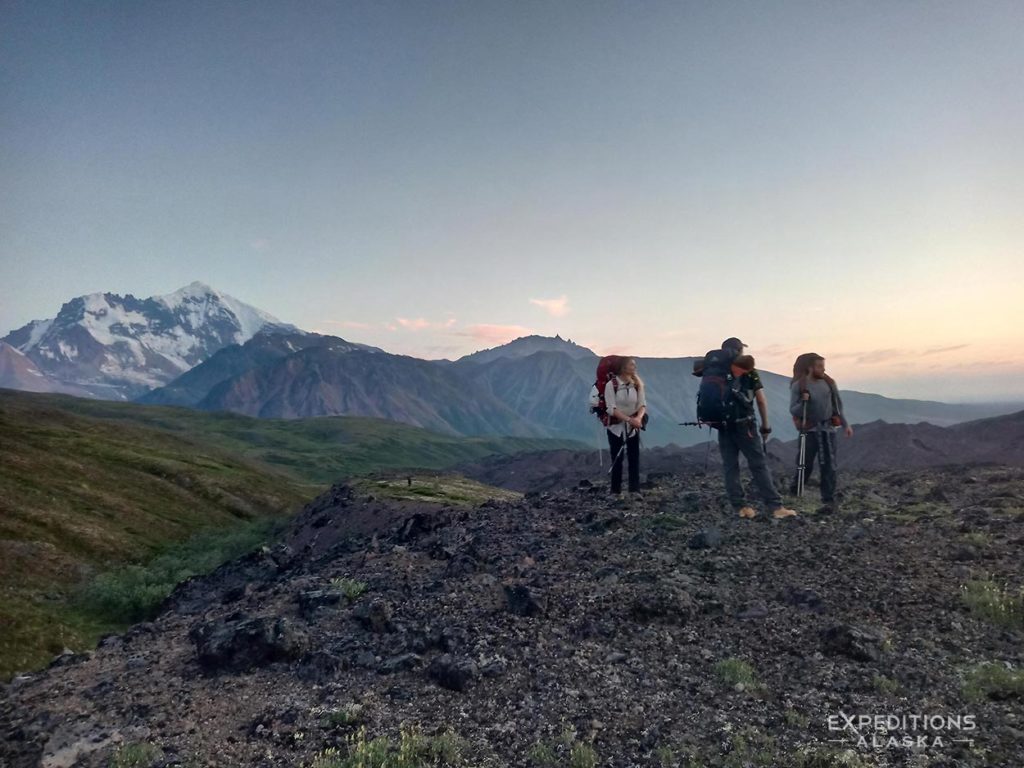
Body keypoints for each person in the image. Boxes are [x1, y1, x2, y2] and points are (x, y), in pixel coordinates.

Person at [711, 347, 797, 520]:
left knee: (730, 466)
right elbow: (761, 400)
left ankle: (739, 507)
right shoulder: (750, 373)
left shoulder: (716, 373)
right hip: (746, 426)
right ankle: (775, 506)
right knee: (758, 464)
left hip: (724, 427)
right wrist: (765, 426)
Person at [789, 353, 853, 511]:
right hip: (810, 430)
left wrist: (845, 424)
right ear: (810, 367)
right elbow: (793, 409)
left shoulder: (829, 383)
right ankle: (795, 490)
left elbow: (837, 406)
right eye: (819, 366)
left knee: (829, 465)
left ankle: (828, 498)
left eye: (823, 365)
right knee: (805, 463)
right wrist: (804, 401)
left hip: (828, 429)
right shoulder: (800, 385)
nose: (823, 369)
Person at [605, 356, 646, 496]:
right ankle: (615, 491)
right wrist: (630, 420)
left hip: (633, 426)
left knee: (634, 457)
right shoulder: (611, 385)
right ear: (623, 367)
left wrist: (638, 419)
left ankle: (634, 490)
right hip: (616, 427)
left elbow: (642, 404)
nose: (635, 367)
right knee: (617, 457)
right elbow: (611, 408)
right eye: (631, 364)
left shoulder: (637, 384)